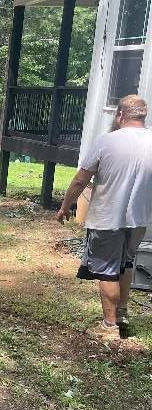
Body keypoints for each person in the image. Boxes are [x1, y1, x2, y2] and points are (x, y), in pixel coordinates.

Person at [57, 94, 152, 342]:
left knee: (108, 271)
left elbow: (81, 179)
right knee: (127, 263)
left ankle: (109, 327)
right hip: (139, 219)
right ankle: (121, 314)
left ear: (120, 115)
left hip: (108, 217)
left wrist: (65, 206)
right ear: (143, 116)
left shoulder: (107, 142)